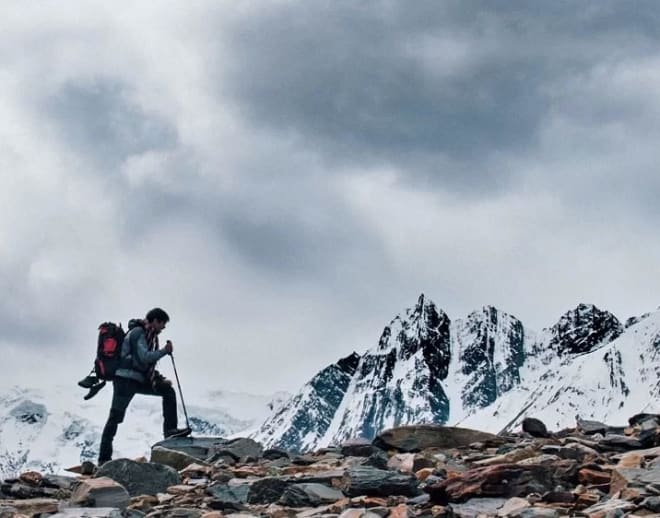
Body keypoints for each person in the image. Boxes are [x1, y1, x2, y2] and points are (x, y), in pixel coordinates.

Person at [98, 307, 191, 465]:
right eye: (162, 324)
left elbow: (143, 360)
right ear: (155, 321)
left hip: (135, 379)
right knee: (115, 417)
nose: (163, 328)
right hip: (126, 380)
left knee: (167, 391)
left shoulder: (147, 334)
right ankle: (103, 458)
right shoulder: (139, 333)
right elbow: (145, 357)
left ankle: (170, 431)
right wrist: (164, 351)